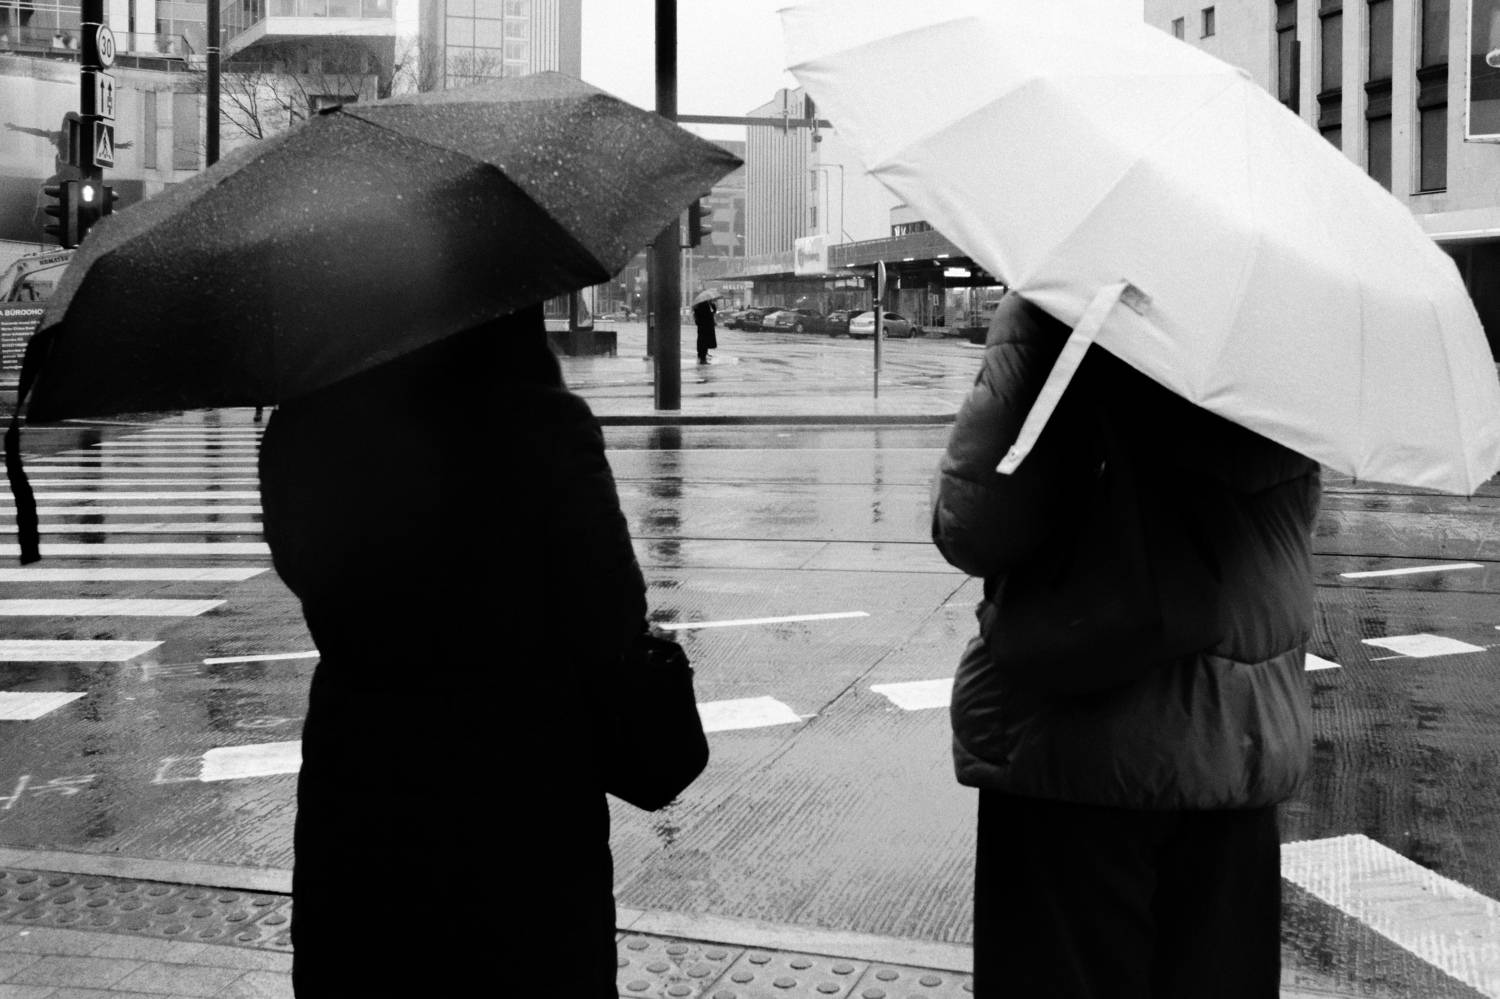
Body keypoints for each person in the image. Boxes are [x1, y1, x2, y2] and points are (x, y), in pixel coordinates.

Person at [930, 292, 1321, 998]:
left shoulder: (1065, 301)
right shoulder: (1279, 324)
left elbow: (974, 525)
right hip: (1236, 740)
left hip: (1076, 744)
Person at [258, 304, 645, 996]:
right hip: (525, 780)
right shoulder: (543, 423)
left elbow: (306, 572)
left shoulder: (304, 428)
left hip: (363, 772)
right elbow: (611, 613)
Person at [692, 293, 717, 364]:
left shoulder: (698, 306)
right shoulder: (704, 306)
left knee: (702, 342)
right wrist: (712, 305)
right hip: (706, 327)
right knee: (704, 342)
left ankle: (701, 356)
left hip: (702, 327)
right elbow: (709, 314)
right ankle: (703, 359)